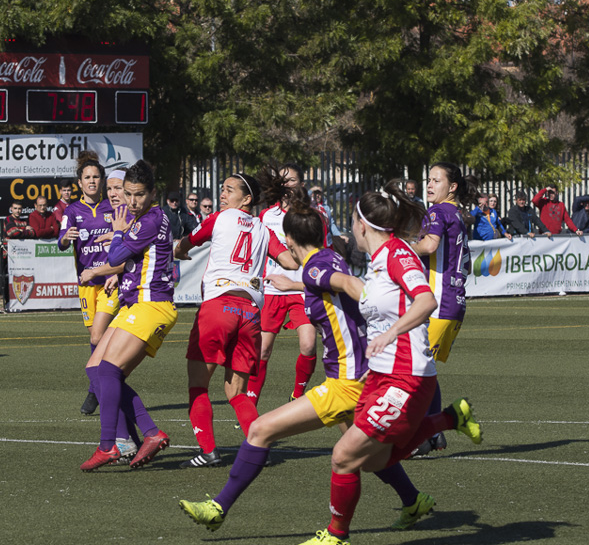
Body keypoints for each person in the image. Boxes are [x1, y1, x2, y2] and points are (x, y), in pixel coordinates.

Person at [178, 193, 441, 533]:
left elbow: (348, 284)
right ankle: (413, 498)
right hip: (359, 374)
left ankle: (218, 507)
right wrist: (295, 282)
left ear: (289, 239)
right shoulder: (326, 259)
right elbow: (328, 279)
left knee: (261, 431)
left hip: (347, 380)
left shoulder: (317, 265)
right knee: (366, 454)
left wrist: (377, 307)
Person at [295, 180, 482, 545]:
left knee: (344, 454)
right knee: (376, 460)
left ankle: (336, 537)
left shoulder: (397, 254)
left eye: (351, 221)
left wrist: (390, 333)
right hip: (382, 375)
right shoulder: (378, 261)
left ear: (362, 225)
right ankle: (450, 418)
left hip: (406, 375)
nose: (350, 228)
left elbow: (425, 300)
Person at [173, 171, 299, 468]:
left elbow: (187, 243)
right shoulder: (263, 230)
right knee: (237, 392)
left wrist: (180, 250)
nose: (222, 194)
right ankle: (258, 452)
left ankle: (208, 451)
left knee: (198, 385)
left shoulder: (220, 218)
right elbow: (290, 262)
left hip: (219, 306)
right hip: (249, 315)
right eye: (223, 189)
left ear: (246, 199)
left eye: (229, 190)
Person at [78, 160, 178, 471]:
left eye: (139, 195)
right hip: (136, 303)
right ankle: (147, 433)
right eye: (128, 193)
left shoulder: (148, 221)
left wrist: (118, 234)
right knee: (95, 369)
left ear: (153, 193)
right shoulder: (143, 218)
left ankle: (110, 444)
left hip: (152, 304)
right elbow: (128, 258)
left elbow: (118, 256)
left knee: (108, 370)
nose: (132, 201)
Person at [408, 163, 477, 457]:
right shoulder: (458, 215)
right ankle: (435, 433)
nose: (430, 184)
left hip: (437, 302)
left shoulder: (438, 212)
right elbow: (468, 263)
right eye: (429, 180)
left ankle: (420, 436)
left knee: (413, 371)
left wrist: (399, 247)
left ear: (452, 187)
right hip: (454, 302)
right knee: (427, 369)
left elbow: (429, 244)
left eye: (437, 180)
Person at [60, 152, 121, 420]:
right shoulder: (72, 211)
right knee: (95, 339)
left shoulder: (113, 208)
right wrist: (66, 238)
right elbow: (61, 241)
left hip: (109, 281)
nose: (92, 181)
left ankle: (97, 389)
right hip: (86, 284)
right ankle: (100, 386)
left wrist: (117, 271)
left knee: (98, 337)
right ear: (80, 182)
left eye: (96, 177)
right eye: (87, 177)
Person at [253, 162, 320, 405]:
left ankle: (297, 396)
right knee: (262, 351)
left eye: (291, 180)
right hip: (271, 290)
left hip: (302, 290)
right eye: (282, 180)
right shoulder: (266, 216)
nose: (286, 184)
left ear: (301, 185)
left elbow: (324, 251)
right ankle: (249, 405)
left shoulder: (312, 216)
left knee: (308, 345)